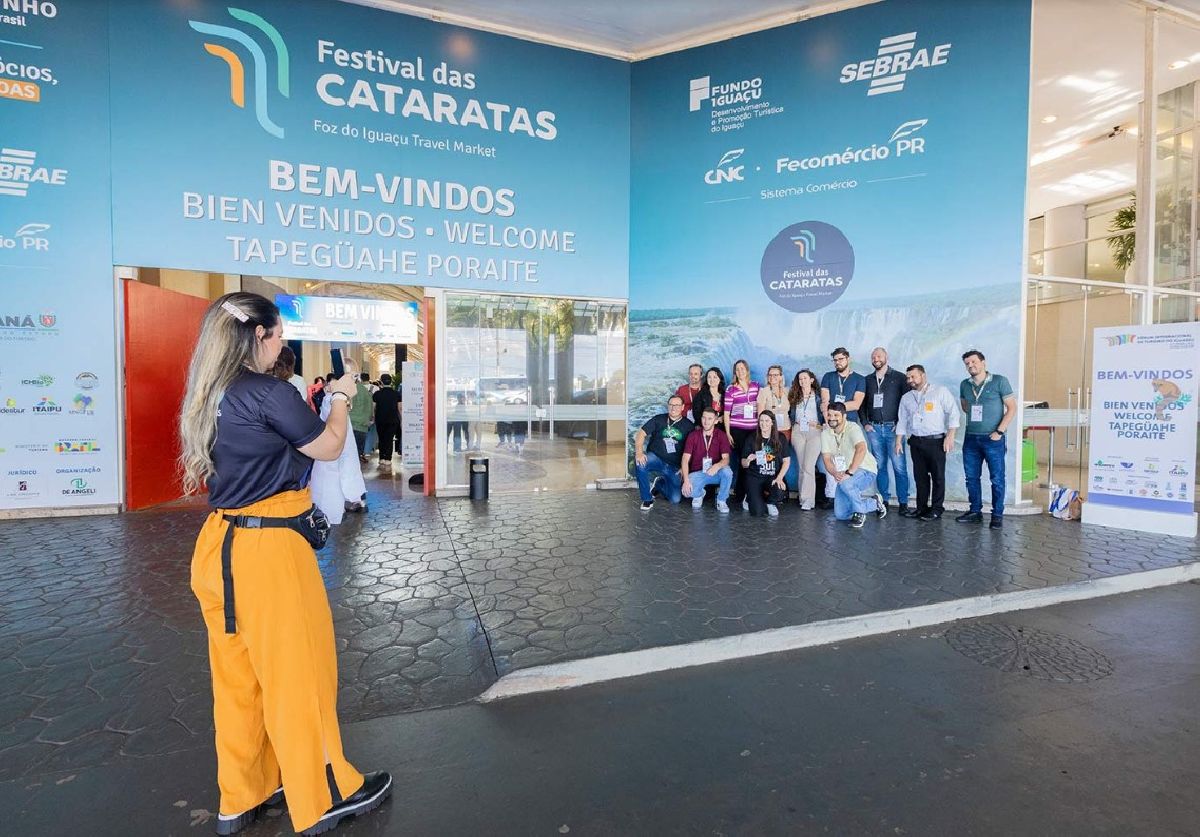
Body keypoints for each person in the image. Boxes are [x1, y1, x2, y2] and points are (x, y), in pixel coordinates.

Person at [178, 293, 391, 837]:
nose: (281, 347)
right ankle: (322, 796)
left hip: (219, 547)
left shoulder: (209, 392)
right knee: (301, 676)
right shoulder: (269, 392)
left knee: (238, 681)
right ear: (258, 337)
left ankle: (242, 795)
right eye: (278, 337)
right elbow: (330, 445)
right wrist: (340, 397)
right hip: (269, 553)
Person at [958, 349, 1017, 529]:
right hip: (971, 438)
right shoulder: (965, 385)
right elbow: (965, 407)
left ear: (983, 363)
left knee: (997, 478)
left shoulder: (1000, 381)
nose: (971, 366)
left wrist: (999, 431)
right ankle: (975, 511)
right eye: (967, 363)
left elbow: (1012, 408)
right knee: (971, 478)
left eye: (974, 362)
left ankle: (997, 515)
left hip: (993, 439)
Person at [895, 364, 959, 520]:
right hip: (916, 442)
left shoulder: (939, 392)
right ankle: (921, 508)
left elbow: (953, 413)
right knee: (920, 478)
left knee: (938, 477)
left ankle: (937, 509)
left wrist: (950, 436)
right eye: (908, 377)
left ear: (923, 376)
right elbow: (902, 421)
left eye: (913, 377)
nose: (910, 380)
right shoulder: (906, 398)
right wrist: (898, 442)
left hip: (936, 442)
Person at [821, 402, 885, 528]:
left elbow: (861, 449)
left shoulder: (853, 427)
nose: (831, 418)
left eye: (836, 415)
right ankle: (874, 503)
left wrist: (849, 472)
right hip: (845, 473)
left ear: (844, 416)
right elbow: (827, 459)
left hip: (866, 469)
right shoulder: (826, 434)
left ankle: (860, 513)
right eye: (829, 415)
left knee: (846, 483)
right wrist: (835, 473)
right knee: (841, 514)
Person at [862, 347, 911, 513]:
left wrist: (901, 423)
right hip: (874, 429)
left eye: (879, 356)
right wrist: (865, 423)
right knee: (880, 466)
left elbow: (907, 403)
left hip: (893, 429)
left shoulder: (899, 378)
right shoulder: (867, 380)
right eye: (873, 356)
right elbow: (862, 404)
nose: (876, 358)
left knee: (899, 467)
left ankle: (904, 502)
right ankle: (884, 500)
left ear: (886, 357)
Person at [634, 394, 694, 511]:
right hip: (656, 457)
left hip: (674, 466)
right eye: (671, 405)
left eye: (677, 405)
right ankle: (647, 499)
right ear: (668, 406)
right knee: (640, 463)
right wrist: (639, 453)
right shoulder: (659, 419)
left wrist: (685, 468)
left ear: (682, 407)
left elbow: (692, 450)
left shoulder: (688, 426)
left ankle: (659, 484)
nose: (673, 408)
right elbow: (641, 433)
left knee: (675, 499)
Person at [680, 407, 733, 512]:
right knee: (686, 492)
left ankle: (721, 500)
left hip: (716, 472)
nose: (706, 421)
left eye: (710, 418)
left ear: (716, 420)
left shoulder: (721, 436)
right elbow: (685, 459)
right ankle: (699, 494)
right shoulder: (693, 435)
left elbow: (726, 459)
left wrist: (717, 466)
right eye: (704, 418)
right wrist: (686, 480)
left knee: (727, 472)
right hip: (699, 472)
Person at [723, 359, 760, 507]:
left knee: (750, 461)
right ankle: (741, 494)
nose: (740, 371)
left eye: (742, 368)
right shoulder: (731, 389)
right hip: (737, 430)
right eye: (737, 369)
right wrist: (728, 433)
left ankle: (746, 493)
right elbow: (726, 413)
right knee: (742, 462)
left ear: (747, 370)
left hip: (753, 430)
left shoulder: (756, 386)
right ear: (735, 372)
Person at [740, 409, 791, 517]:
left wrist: (779, 478)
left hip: (772, 476)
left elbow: (786, 461)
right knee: (758, 512)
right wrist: (748, 460)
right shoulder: (752, 437)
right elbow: (743, 463)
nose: (764, 424)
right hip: (754, 476)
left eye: (767, 421)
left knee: (780, 489)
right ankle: (749, 497)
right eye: (761, 421)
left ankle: (770, 503)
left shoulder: (780, 438)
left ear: (772, 423)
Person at [788, 369, 823, 510]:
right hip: (798, 431)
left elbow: (827, 414)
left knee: (809, 466)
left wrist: (820, 425)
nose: (802, 381)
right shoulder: (795, 396)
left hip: (815, 431)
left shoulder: (819, 396)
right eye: (800, 379)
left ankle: (809, 500)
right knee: (802, 467)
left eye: (805, 378)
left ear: (812, 380)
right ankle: (803, 498)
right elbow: (790, 413)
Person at [820, 347, 866, 423]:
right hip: (830, 421)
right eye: (835, 360)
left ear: (848, 359)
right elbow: (825, 403)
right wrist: (828, 422)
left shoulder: (860, 379)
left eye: (840, 359)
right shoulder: (827, 376)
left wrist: (833, 409)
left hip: (850, 422)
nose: (837, 362)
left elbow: (856, 404)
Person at [372, 373, 402, 469]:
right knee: (389, 439)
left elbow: (373, 407)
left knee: (381, 438)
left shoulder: (377, 394)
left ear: (381, 382)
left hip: (380, 419)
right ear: (391, 381)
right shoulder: (396, 394)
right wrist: (401, 420)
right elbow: (400, 408)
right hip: (393, 420)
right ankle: (388, 459)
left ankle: (381, 458)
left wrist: (372, 417)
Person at [757, 364, 792, 444]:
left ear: (781, 377)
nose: (772, 377)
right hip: (770, 430)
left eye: (775, 375)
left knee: (783, 454)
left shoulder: (787, 391)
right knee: (772, 455)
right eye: (770, 375)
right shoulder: (763, 391)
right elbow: (760, 414)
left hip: (786, 429)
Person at [348, 371, 373, 462]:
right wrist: (370, 418)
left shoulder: (348, 389)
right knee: (358, 449)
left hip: (350, 424)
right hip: (362, 424)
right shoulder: (365, 390)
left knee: (349, 450)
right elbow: (370, 406)